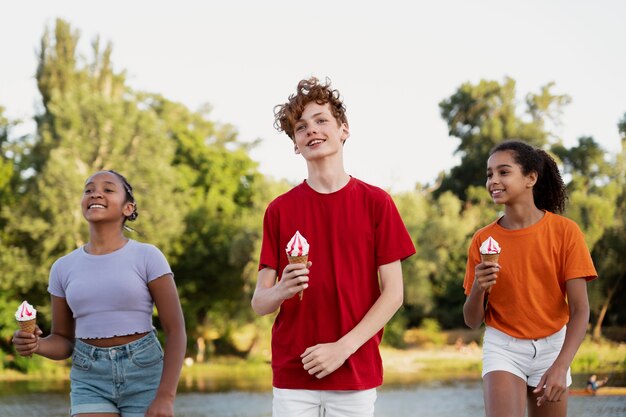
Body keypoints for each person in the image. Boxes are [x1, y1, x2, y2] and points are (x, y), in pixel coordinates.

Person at [251, 77, 415, 417]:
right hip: (293, 375)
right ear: (296, 145)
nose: (312, 130)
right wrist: (281, 289)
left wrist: (343, 348)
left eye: (321, 120)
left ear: (344, 129)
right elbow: (260, 303)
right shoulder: (279, 210)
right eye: (301, 127)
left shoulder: (377, 203)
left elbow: (394, 294)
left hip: (354, 370)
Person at [12, 170, 186, 417]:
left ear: (128, 208)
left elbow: (176, 330)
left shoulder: (148, 257)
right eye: (89, 189)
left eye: (108, 189)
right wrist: (36, 344)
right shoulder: (63, 267)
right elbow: (63, 339)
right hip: (89, 375)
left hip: (144, 372)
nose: (96, 193)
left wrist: (165, 397)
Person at [463, 140, 598, 417]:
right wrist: (478, 287)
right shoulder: (483, 240)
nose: (493, 181)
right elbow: (472, 320)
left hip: (553, 348)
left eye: (503, 172)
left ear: (530, 178)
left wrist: (561, 366)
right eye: (489, 174)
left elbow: (580, 309)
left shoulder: (565, 232)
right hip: (504, 346)